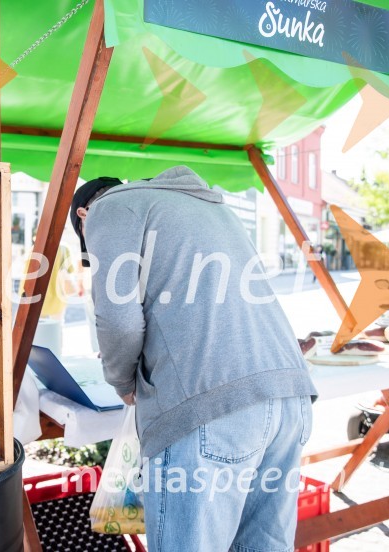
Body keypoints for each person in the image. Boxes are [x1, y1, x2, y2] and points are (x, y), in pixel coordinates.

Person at [71, 168, 317, 552]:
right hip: (288, 397)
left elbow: (117, 320)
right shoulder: (208, 207)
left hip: (210, 409)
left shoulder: (109, 209)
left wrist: (123, 382)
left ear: (83, 217)